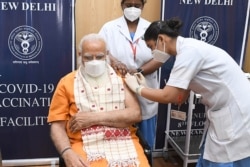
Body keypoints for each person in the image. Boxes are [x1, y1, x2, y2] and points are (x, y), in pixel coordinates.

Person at [124, 17, 250, 166]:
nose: (152, 52)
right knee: (213, 155)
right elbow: (180, 98)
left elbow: (168, 96)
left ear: (161, 39)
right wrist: (147, 88)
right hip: (226, 111)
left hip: (236, 114)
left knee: (225, 159)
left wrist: (138, 89)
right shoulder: (187, 51)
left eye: (151, 46)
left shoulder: (189, 53)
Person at [47, 33, 150, 167]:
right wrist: (67, 152)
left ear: (107, 55)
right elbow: (57, 126)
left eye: (100, 57)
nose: (94, 61)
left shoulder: (121, 78)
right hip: (83, 143)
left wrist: (92, 118)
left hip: (123, 139)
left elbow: (135, 114)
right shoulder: (66, 82)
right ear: (80, 55)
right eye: (88, 57)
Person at [99, 0, 162, 150]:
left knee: (145, 144)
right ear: (122, 5)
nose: (132, 8)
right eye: (128, 5)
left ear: (143, 6)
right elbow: (101, 51)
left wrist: (138, 71)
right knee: (119, 142)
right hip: (118, 88)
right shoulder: (109, 28)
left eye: (137, 5)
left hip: (145, 87)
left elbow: (161, 56)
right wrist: (114, 62)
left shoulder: (152, 28)